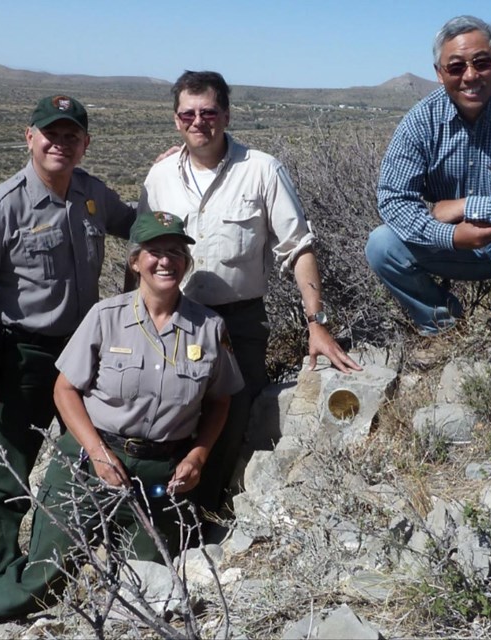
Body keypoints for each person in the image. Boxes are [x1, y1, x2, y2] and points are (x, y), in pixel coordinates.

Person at [0, 212, 245, 620]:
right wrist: (97, 453)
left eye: (175, 252)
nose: (166, 261)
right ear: (135, 261)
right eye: (155, 252)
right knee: (45, 579)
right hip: (88, 462)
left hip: (160, 472)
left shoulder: (209, 327)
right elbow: (64, 390)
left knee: (145, 588)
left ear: (187, 262)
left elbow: (221, 400)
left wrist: (198, 456)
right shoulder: (105, 317)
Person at [139, 70, 362, 518]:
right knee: (164, 416)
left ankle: (202, 518)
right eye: (188, 113)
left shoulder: (261, 169)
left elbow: (298, 247)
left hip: (237, 323)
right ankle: (155, 512)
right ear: (175, 119)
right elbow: (143, 251)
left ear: (226, 114)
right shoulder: (160, 175)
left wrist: (316, 325)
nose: (199, 121)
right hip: (171, 320)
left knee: (231, 419)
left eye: (208, 112)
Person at [0, 95, 136, 587]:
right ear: (29, 137)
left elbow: (138, 225)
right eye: (50, 133)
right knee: (10, 467)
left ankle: (93, 552)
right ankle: (5, 575)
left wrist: (169, 181)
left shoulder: (92, 193)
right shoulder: (0, 206)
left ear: (85, 144)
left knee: (95, 449)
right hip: (24, 354)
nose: (60, 143)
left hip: (83, 352)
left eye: (71, 135)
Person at [365, 15, 491, 373]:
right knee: (382, 244)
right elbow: (393, 198)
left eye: (481, 62)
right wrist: (451, 235)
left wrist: (465, 206)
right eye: (456, 66)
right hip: (456, 246)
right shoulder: (421, 120)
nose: (470, 75)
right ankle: (441, 325)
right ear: (440, 72)